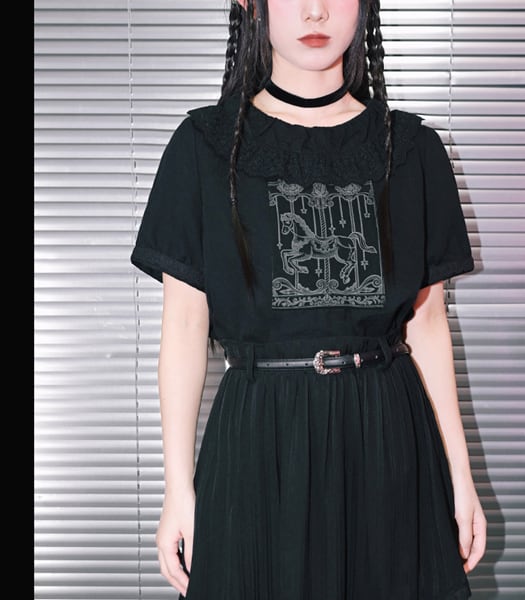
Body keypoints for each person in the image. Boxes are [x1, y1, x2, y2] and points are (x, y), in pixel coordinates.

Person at [130, 0, 487, 598]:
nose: (315, 11)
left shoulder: (412, 149)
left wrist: (460, 474)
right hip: (258, 444)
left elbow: (426, 323)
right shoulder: (203, 146)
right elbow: (185, 326)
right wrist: (177, 489)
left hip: (387, 440)